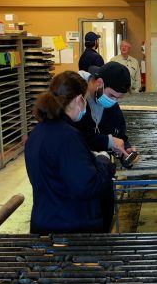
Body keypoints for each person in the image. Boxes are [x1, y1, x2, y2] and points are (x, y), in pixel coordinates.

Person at [25, 71, 115, 235]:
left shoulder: (37, 133)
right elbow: (89, 185)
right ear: (79, 99)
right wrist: (103, 160)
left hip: (44, 223)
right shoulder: (68, 136)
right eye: (85, 99)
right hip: (71, 230)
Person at [74, 62, 136, 232]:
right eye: (112, 95)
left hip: (100, 173)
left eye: (118, 98)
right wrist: (108, 141)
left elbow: (119, 132)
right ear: (99, 82)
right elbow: (75, 137)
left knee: (103, 219)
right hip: (80, 175)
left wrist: (124, 150)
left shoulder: (111, 105)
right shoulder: (74, 97)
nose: (113, 101)